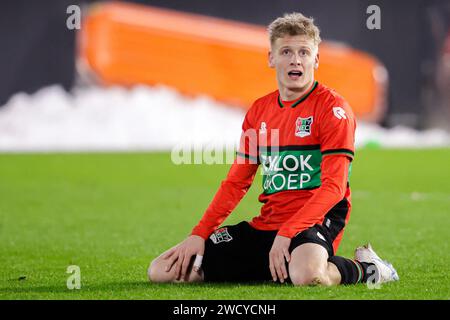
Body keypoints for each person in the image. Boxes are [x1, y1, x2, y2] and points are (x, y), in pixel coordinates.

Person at [148, 12, 399, 286]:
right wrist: (199, 233)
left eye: (304, 52)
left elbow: (334, 188)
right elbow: (236, 182)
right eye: (286, 51)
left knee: (307, 275)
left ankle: (368, 268)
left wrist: (289, 232)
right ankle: (274, 267)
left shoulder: (333, 110)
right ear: (271, 58)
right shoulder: (258, 112)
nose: (295, 59)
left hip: (315, 221)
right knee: (164, 270)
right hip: (268, 224)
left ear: (315, 59)